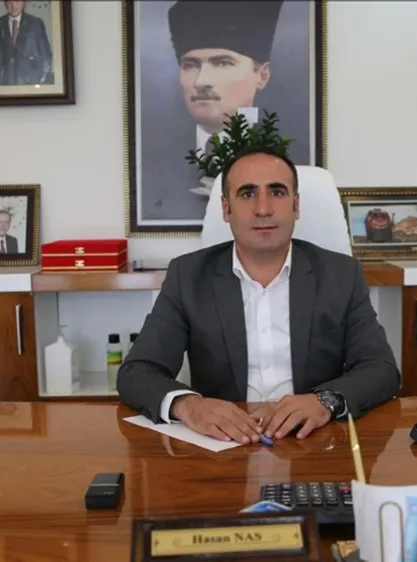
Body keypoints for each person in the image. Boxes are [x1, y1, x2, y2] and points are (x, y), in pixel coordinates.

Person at [117, 148, 401, 445]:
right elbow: (137, 371)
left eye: (277, 192)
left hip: (314, 441)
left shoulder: (341, 274)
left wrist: (325, 401)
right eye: (247, 193)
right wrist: (190, 406)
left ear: (296, 205)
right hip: (225, 445)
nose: (263, 209)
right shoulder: (188, 276)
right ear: (226, 209)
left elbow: (380, 368)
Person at [138, 0, 291, 223]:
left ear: (262, 75)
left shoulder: (293, 159)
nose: (201, 81)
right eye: (190, 65)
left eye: (222, 63)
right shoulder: (150, 166)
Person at [0, 0, 54, 86]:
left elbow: (46, 55)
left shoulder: (35, 23)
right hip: (6, 83)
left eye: (17, 1)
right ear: (5, 3)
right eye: (9, 2)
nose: (13, 6)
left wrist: (39, 81)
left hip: (30, 83)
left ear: (24, 2)